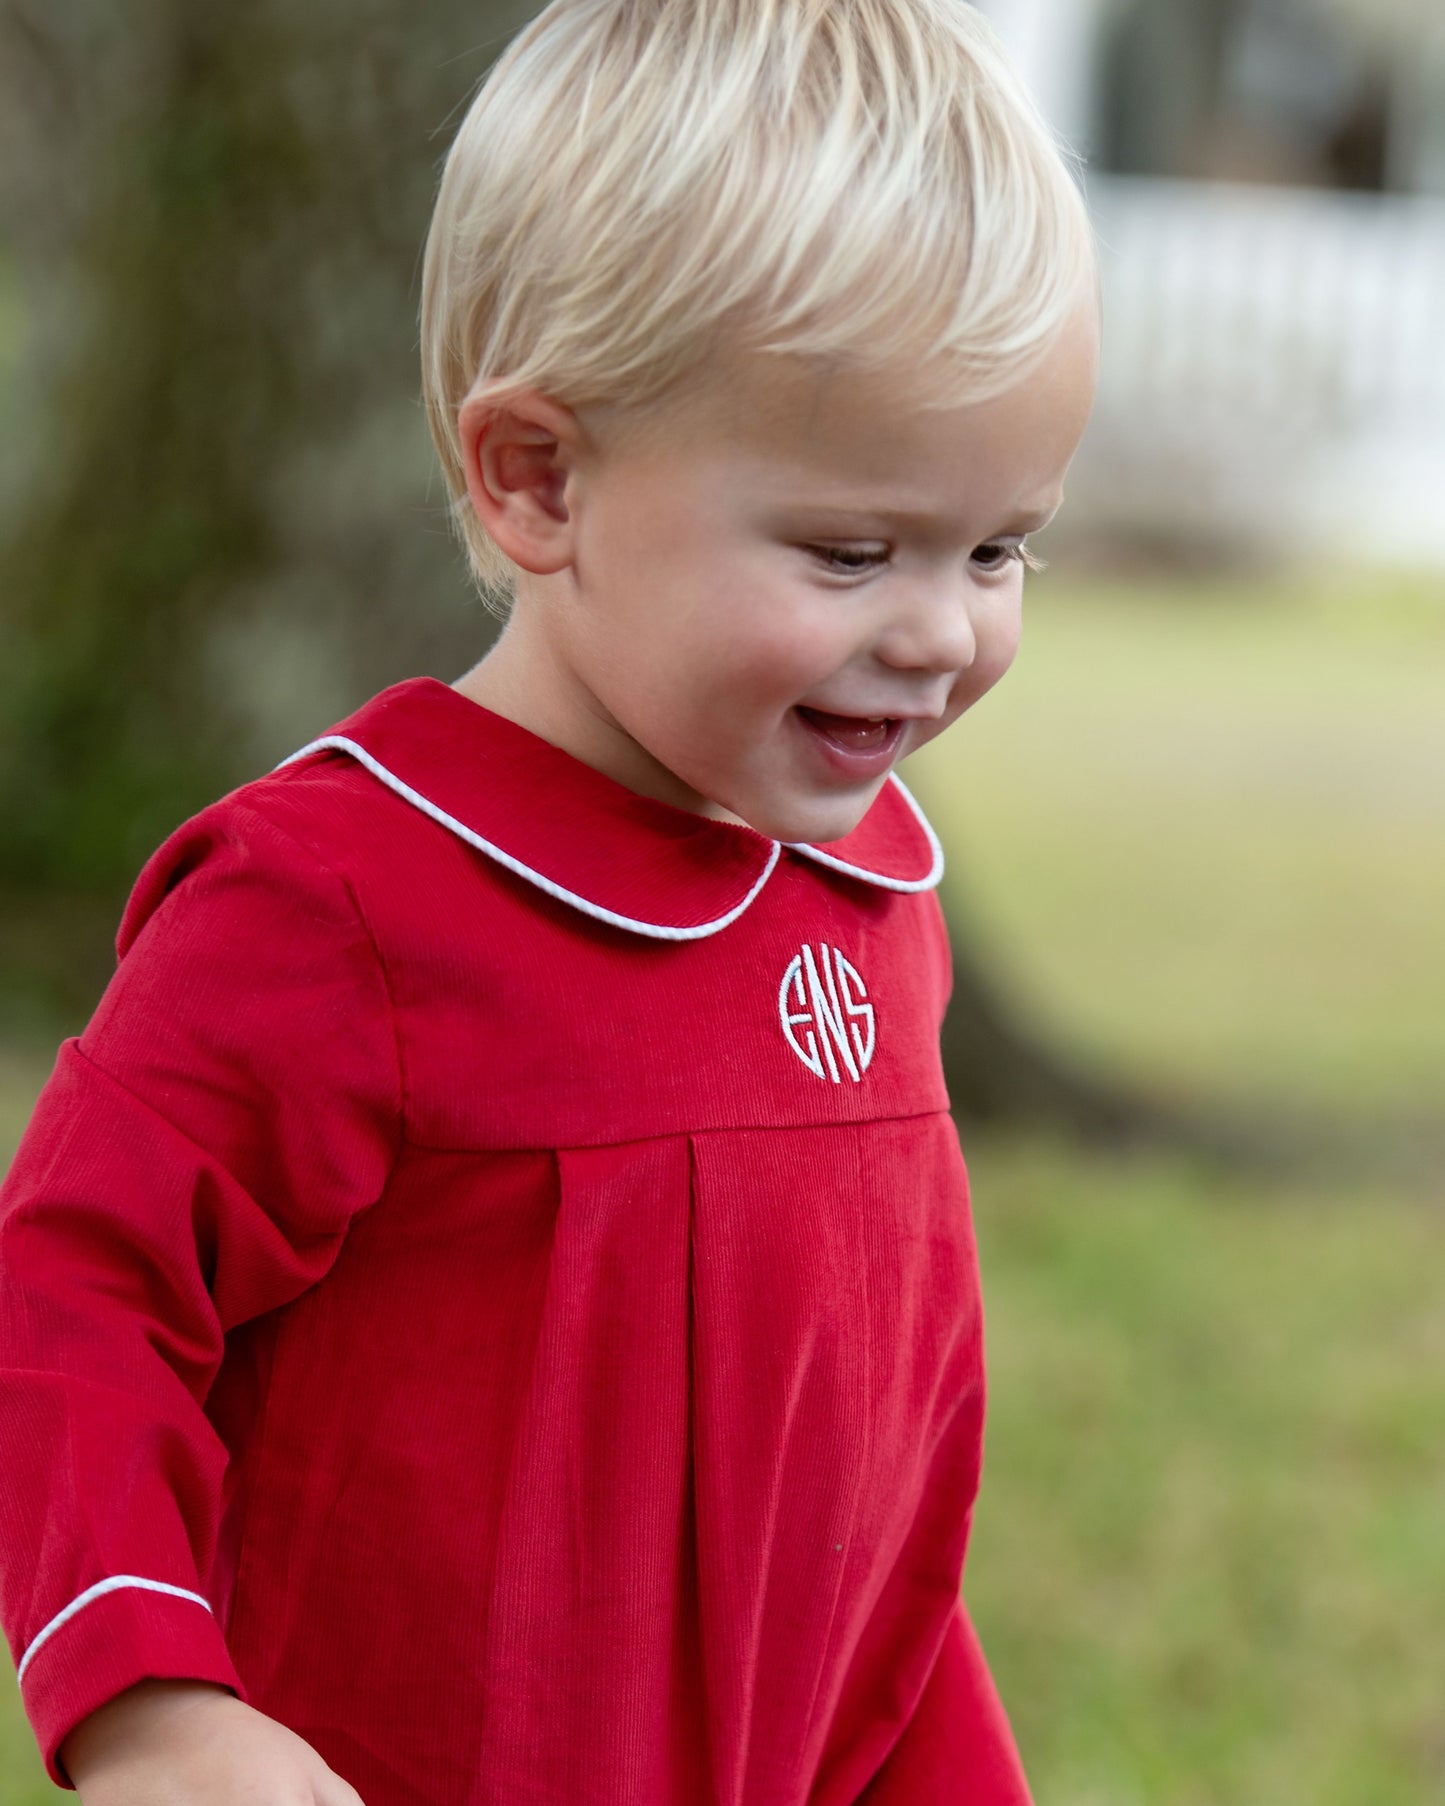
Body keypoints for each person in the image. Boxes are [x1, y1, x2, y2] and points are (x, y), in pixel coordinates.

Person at [0, 1, 1098, 1800]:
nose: (942, 631)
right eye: (849, 550)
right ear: (538, 478)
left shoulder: (869, 914)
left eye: (997, 547)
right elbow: (72, 1287)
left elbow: (867, 1540)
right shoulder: (338, 901)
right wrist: (148, 1695)